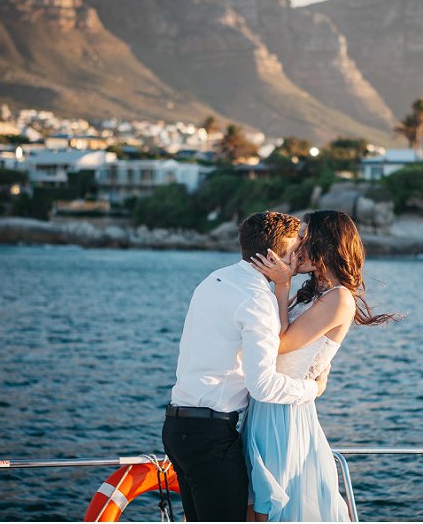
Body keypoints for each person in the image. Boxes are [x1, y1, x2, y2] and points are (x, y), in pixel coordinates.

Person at [162, 211, 330, 522]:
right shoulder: (256, 300)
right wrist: (313, 388)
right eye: (296, 251)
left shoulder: (214, 279)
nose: (300, 256)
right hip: (210, 435)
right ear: (273, 256)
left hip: (177, 427)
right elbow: (262, 384)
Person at [245, 210, 398, 522]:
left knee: (272, 507)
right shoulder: (311, 294)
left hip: (284, 414)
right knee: (252, 504)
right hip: (263, 404)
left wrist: (282, 284)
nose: (297, 246)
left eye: (304, 238)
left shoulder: (340, 298)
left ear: (325, 246)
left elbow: (280, 343)